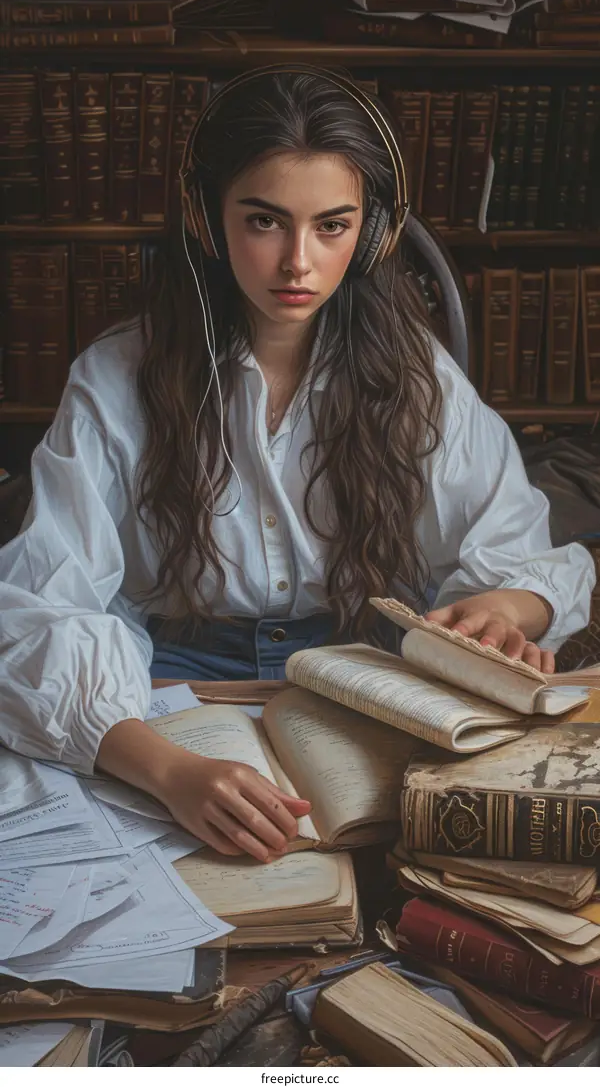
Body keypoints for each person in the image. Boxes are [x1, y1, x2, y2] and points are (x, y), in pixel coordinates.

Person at [0, 67, 595, 864]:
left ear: (372, 231)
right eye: (265, 221)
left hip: (366, 675)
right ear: (209, 220)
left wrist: (503, 609)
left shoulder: (415, 375)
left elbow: (516, 547)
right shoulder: (115, 380)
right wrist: (171, 771)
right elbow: (42, 605)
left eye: (332, 226)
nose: (298, 263)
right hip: (171, 681)